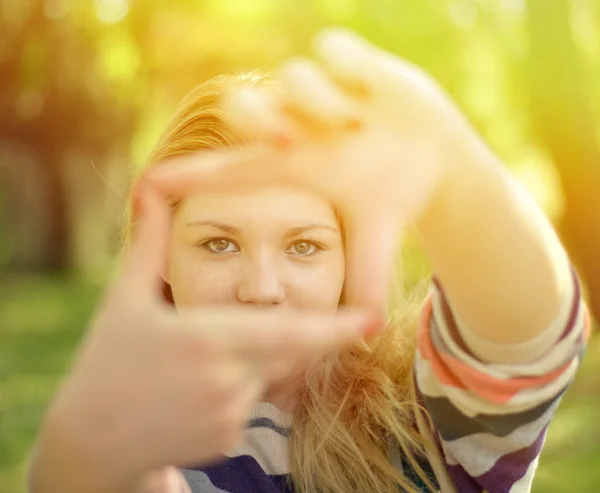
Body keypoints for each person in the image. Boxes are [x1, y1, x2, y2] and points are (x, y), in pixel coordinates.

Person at [28, 29, 590, 493]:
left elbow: (532, 342)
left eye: (304, 246)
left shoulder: (423, 415)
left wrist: (454, 175)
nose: (263, 288)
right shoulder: (130, 448)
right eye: (219, 243)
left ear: (350, 255)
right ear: (163, 256)